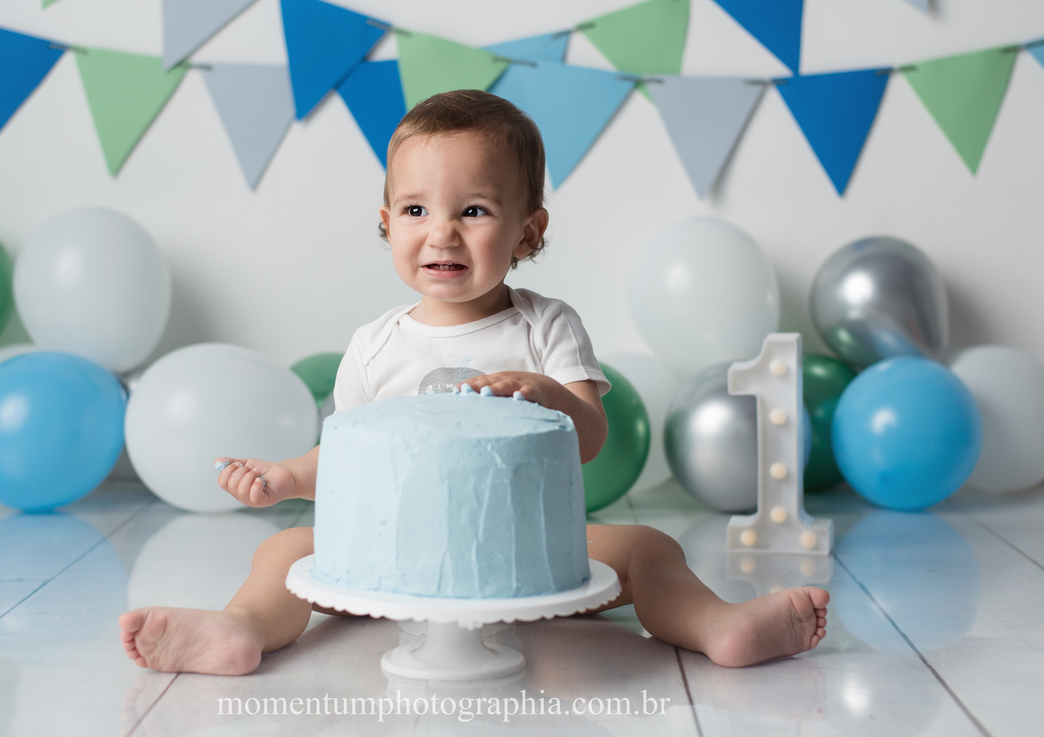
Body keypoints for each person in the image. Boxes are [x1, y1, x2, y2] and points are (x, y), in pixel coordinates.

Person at [119, 90, 829, 676]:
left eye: (474, 210)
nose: (442, 233)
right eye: (416, 210)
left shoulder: (547, 326)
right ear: (387, 224)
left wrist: (551, 394)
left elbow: (589, 437)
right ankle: (239, 629)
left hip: (529, 557)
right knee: (281, 552)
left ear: (528, 231)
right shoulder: (375, 345)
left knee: (648, 547)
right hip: (394, 557)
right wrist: (284, 478)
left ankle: (718, 626)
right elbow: (347, 460)